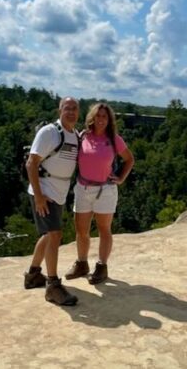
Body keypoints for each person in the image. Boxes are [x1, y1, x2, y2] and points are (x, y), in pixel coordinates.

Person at [64, 102, 134, 285]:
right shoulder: (83, 136)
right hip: (83, 188)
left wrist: (120, 178)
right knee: (81, 230)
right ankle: (82, 264)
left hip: (105, 190)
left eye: (105, 116)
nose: (101, 119)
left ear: (109, 119)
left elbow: (129, 159)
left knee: (104, 229)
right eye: (98, 116)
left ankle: (102, 266)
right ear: (92, 118)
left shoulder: (114, 139)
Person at [23, 97, 81, 306]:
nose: (71, 112)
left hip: (59, 193)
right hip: (44, 192)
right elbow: (31, 163)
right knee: (55, 235)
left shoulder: (75, 136)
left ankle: (33, 274)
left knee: (49, 235)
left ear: (79, 112)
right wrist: (38, 196)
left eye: (75, 108)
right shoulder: (49, 132)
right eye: (67, 108)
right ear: (60, 110)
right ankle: (53, 286)